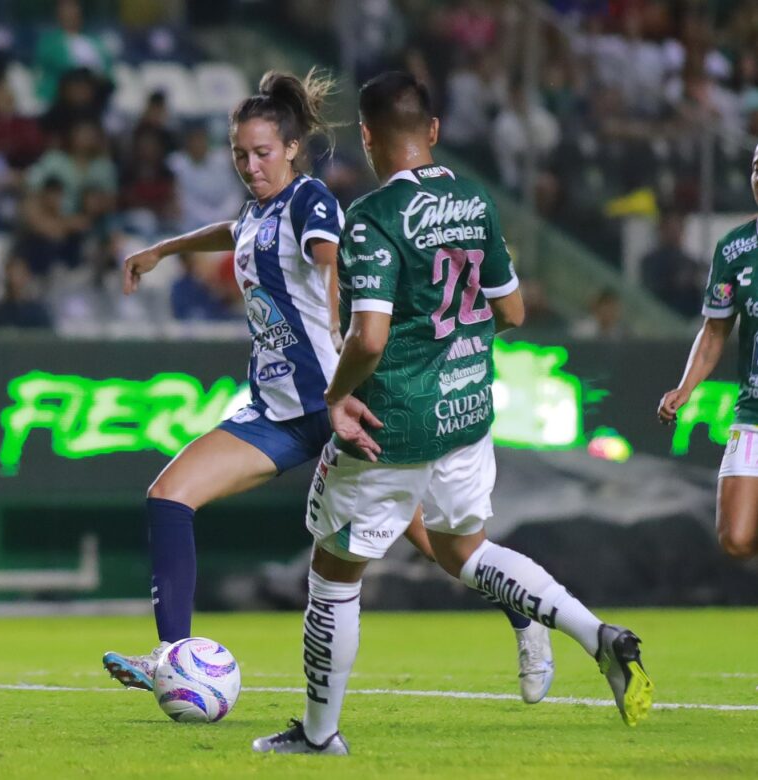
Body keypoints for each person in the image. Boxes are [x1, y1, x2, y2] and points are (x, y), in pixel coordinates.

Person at [102, 69, 554, 703]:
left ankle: (524, 617)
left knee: (445, 548)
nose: (250, 165)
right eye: (240, 155)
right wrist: (163, 250)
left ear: (290, 148)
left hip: (340, 403)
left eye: (262, 153)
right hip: (280, 415)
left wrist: (346, 330)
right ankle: (171, 657)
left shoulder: (312, 199)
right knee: (169, 496)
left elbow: (335, 256)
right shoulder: (259, 212)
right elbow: (230, 232)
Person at [252, 71, 654, 756]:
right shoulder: (475, 199)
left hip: (393, 424)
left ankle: (320, 736)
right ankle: (600, 637)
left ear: (369, 137)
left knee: (334, 572)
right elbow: (515, 311)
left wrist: (335, 393)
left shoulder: (375, 218)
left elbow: (370, 337)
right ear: (434, 132)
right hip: (466, 414)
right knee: (466, 551)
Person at [659, 143, 758, 568]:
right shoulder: (735, 249)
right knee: (735, 537)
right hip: (753, 408)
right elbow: (715, 330)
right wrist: (686, 386)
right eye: (756, 167)